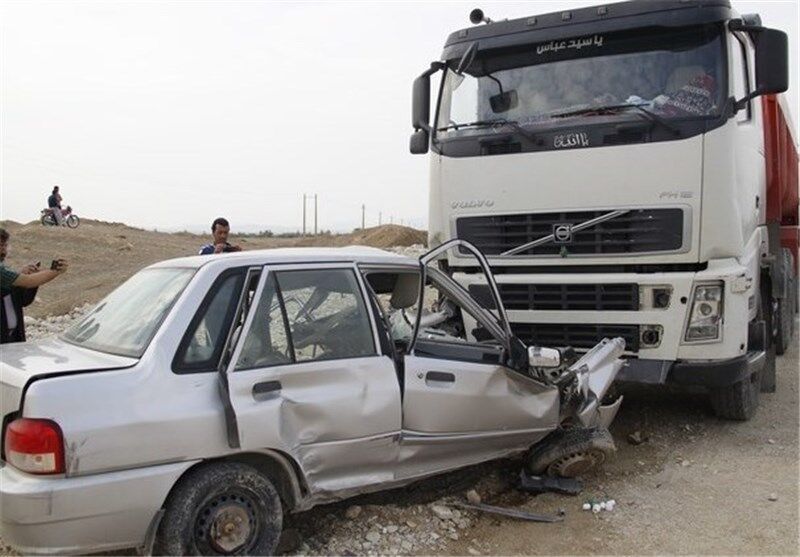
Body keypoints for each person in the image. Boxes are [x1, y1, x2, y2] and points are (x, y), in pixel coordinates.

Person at [0, 228, 69, 343]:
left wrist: (24, 276)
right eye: (1, 245)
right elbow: (29, 281)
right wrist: (55, 271)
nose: (3, 248)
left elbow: (23, 301)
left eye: (4, 245)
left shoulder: (6, 273)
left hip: (12, 340)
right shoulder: (2, 273)